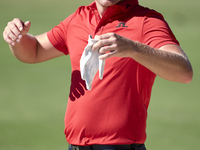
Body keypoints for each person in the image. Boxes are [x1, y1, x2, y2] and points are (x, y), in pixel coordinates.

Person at [3, 0, 193, 150]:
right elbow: (34, 51)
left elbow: (184, 72)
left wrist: (133, 48)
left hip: (120, 147)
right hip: (75, 146)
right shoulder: (79, 18)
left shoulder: (146, 20)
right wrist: (17, 38)